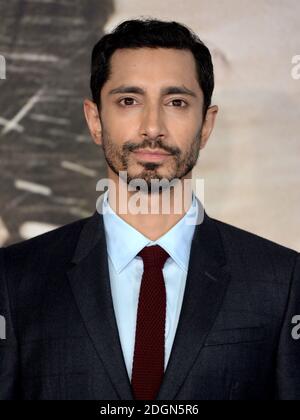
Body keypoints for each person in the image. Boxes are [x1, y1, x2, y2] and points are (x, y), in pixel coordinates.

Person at [0, 18, 299, 401]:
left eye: (176, 102)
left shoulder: (281, 280)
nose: (152, 126)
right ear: (95, 120)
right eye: (129, 100)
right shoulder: (15, 280)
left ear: (206, 125)